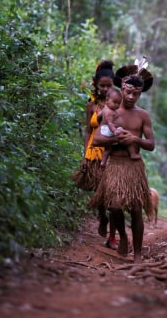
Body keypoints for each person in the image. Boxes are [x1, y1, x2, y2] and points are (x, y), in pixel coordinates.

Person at [89, 61, 155, 263]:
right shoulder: (110, 111)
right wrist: (116, 139)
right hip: (115, 166)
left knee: (136, 209)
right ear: (122, 89)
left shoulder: (143, 115)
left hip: (133, 167)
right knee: (114, 207)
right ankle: (123, 237)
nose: (131, 97)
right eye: (128, 92)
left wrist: (135, 139)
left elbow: (151, 144)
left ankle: (137, 254)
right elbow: (98, 139)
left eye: (136, 94)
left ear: (140, 94)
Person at [70, 60, 118, 248]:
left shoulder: (118, 103)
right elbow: (89, 131)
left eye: (109, 85)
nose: (106, 89)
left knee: (112, 194)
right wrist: (84, 156)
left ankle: (112, 235)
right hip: (94, 152)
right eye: (102, 86)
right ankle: (102, 216)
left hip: (113, 152)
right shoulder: (91, 105)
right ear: (96, 85)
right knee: (99, 191)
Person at [98, 88, 141, 166]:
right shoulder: (109, 111)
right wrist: (115, 131)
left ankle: (103, 162)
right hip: (110, 130)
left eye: (118, 103)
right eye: (115, 102)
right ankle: (133, 153)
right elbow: (110, 123)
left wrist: (99, 118)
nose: (117, 105)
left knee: (108, 149)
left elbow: (99, 115)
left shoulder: (105, 109)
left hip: (105, 129)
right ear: (107, 100)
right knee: (127, 138)